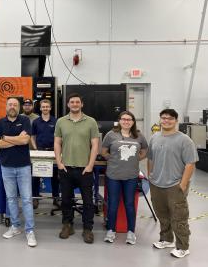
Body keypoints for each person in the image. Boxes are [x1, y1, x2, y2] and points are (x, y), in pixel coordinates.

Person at [147, 109, 198, 258]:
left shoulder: (184, 140)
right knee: (162, 214)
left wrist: (182, 184)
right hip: (156, 184)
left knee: (178, 217)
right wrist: (151, 175)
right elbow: (150, 158)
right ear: (160, 120)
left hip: (175, 185)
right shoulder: (154, 137)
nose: (166, 121)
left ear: (176, 120)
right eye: (163, 118)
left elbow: (190, 164)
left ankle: (183, 247)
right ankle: (166, 239)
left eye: (170, 118)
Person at [54, 92, 99, 244]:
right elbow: (57, 143)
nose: (74, 104)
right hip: (66, 168)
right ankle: (68, 225)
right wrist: (59, 163)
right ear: (68, 105)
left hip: (84, 169)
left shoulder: (91, 121)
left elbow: (95, 145)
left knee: (87, 201)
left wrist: (90, 165)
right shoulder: (61, 121)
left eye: (77, 102)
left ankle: (87, 229)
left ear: (81, 104)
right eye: (72, 102)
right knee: (66, 200)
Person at [0, 97, 37, 247]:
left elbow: (25, 141)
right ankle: (15, 226)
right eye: (10, 104)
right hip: (6, 167)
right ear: (6, 106)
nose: (12, 107)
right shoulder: (0, 122)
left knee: (26, 199)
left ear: (18, 107)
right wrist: (16, 139)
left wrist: (6, 138)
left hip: (24, 166)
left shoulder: (25, 120)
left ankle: (30, 231)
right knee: (11, 198)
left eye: (15, 105)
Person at [101, 111, 148, 245]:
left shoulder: (139, 136)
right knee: (113, 204)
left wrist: (136, 158)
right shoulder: (111, 135)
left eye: (129, 119)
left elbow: (144, 150)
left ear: (133, 122)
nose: (126, 121)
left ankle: (131, 232)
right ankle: (111, 230)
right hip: (113, 175)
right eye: (124, 119)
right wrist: (113, 159)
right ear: (119, 121)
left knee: (129, 204)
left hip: (131, 176)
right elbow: (103, 151)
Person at [30, 99, 58, 209]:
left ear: (50, 108)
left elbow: (59, 137)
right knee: (36, 176)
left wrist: (57, 150)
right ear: (40, 108)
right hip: (39, 152)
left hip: (52, 152)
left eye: (47, 106)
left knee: (55, 177)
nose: (45, 108)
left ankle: (56, 199)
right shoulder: (36, 122)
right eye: (43, 107)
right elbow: (32, 136)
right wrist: (36, 149)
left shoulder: (56, 121)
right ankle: (35, 199)